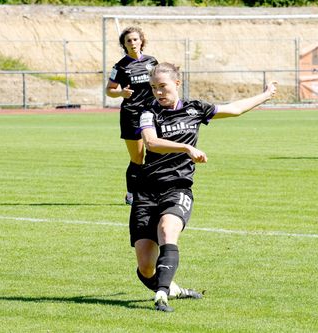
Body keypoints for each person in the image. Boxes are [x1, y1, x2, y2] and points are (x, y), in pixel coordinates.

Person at [130, 62, 277, 312]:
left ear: (176, 84)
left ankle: (162, 295)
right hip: (147, 190)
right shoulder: (148, 112)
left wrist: (265, 95)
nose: (158, 92)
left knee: (167, 229)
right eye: (154, 88)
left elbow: (234, 109)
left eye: (163, 86)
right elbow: (151, 142)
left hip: (178, 187)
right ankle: (173, 288)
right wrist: (187, 147)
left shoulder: (195, 108)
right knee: (145, 266)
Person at [105, 27, 158, 204]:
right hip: (132, 115)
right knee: (137, 157)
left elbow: (160, 83)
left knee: (156, 153)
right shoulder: (120, 66)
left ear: (142, 41)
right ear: (124, 44)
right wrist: (121, 93)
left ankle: (151, 191)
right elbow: (109, 90)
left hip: (152, 114)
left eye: (135, 39)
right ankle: (131, 194)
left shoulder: (152, 62)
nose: (133, 43)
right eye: (129, 41)